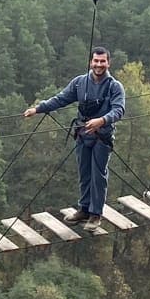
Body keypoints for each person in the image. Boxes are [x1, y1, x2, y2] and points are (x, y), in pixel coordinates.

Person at [24, 46, 125, 227]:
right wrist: (38, 109)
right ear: (91, 62)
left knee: (98, 176)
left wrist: (102, 120)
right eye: (96, 61)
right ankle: (84, 209)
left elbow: (119, 110)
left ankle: (95, 215)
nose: (99, 65)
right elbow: (61, 99)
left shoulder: (114, 87)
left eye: (103, 61)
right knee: (84, 173)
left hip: (102, 137)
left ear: (108, 63)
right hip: (82, 134)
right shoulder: (80, 82)